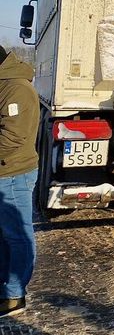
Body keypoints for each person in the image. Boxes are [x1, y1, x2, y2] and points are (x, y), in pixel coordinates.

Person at [0, 46, 38, 317]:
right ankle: (5, 287)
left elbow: (13, 137)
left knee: (18, 236)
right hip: (4, 173)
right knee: (4, 236)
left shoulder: (16, 89)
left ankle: (15, 295)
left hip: (13, 174)